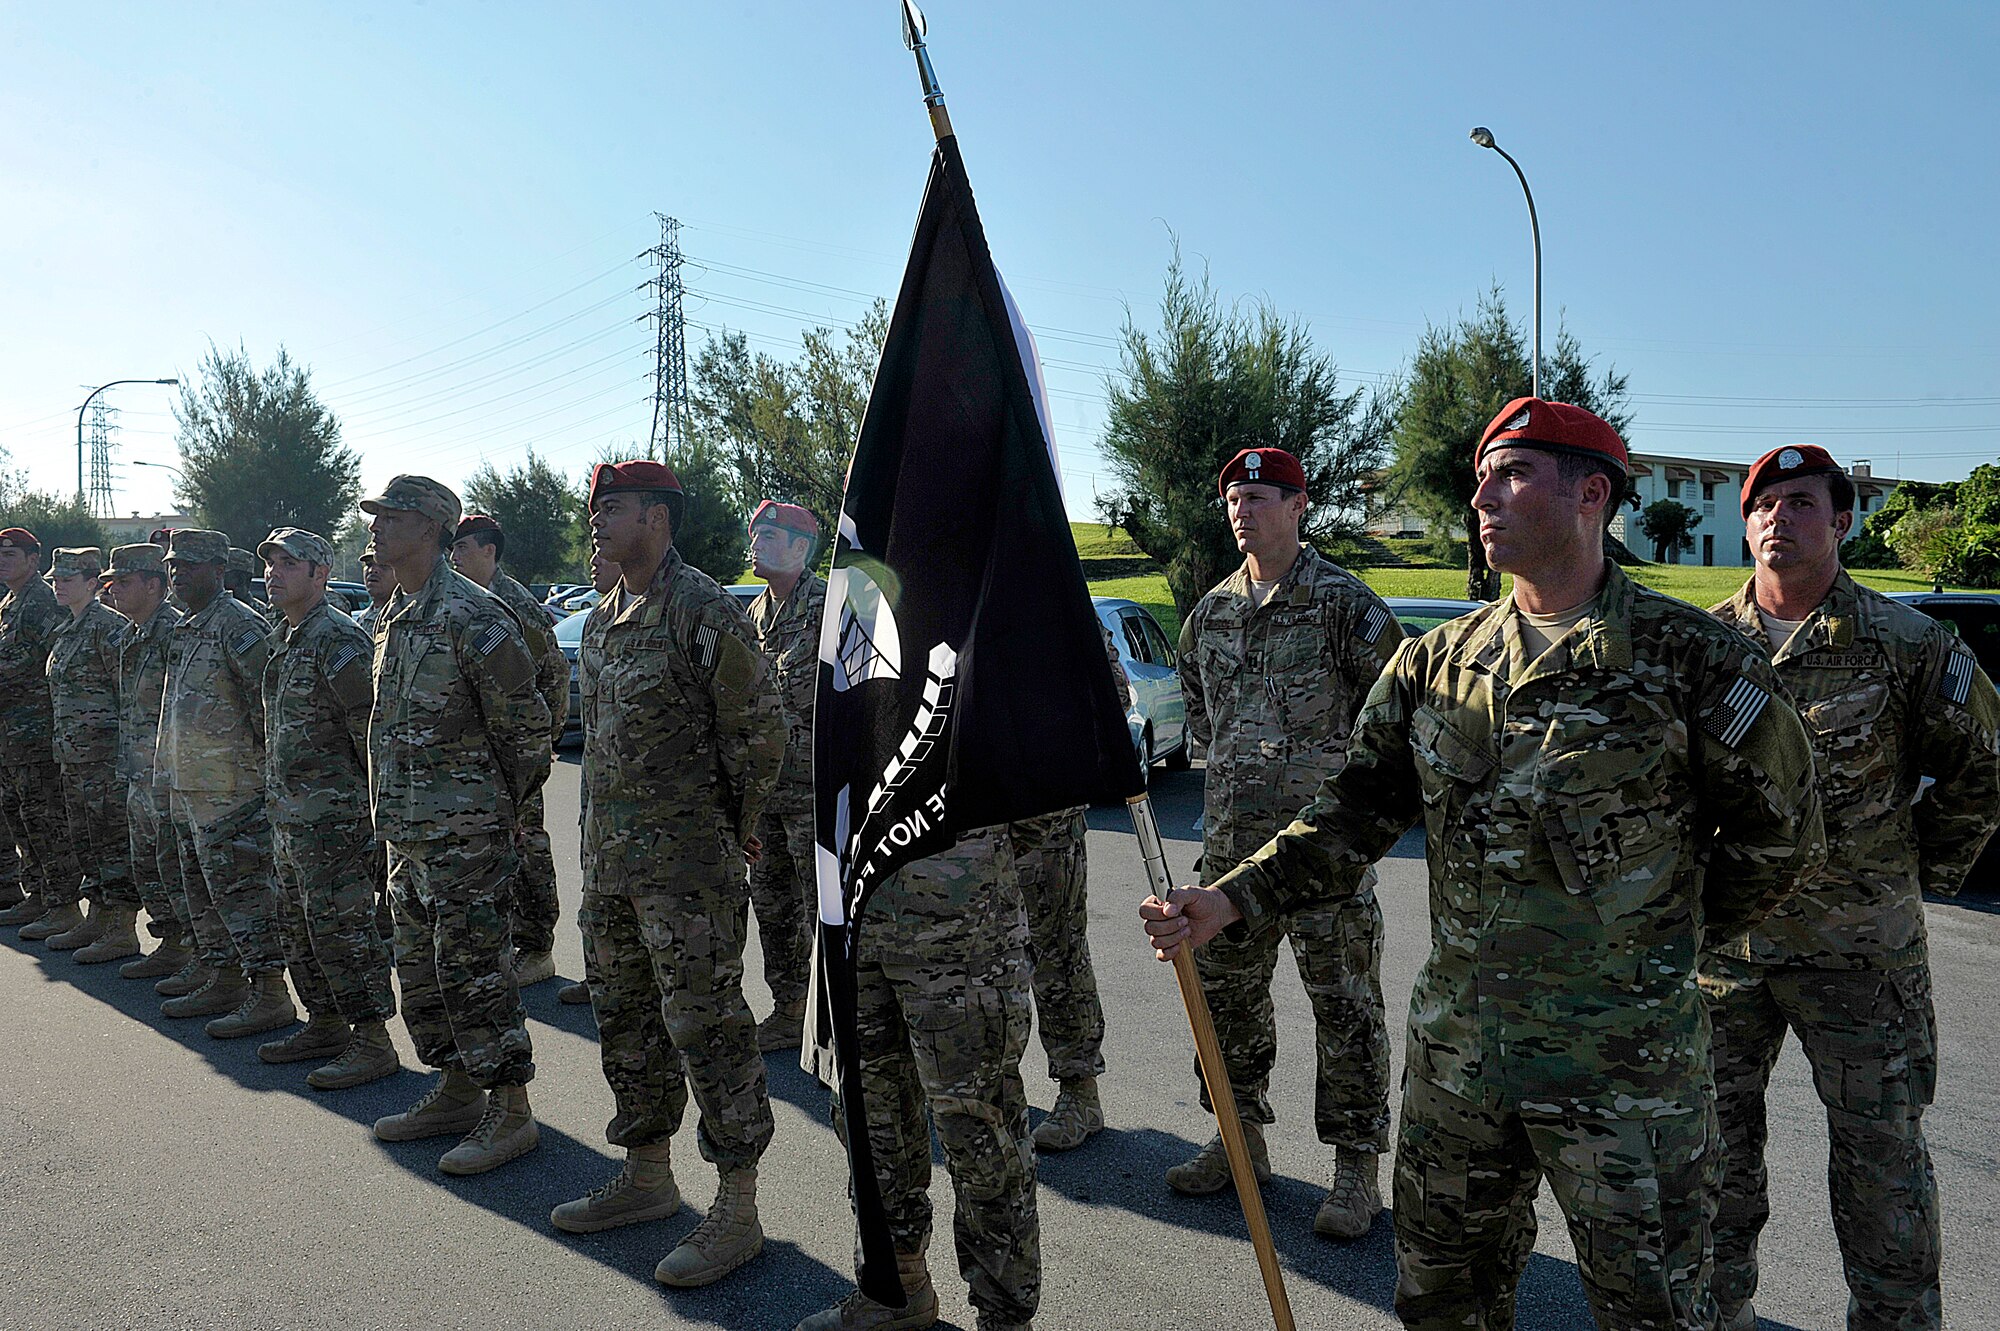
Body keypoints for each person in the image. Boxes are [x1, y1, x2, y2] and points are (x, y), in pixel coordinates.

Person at [1141, 398, 1826, 1330]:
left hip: (1626, 1075)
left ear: (1591, 493)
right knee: (1443, 1304)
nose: (1481, 496)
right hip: (1460, 1070)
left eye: (1511, 474)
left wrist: (1660, 941)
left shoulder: (1693, 659)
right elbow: (1353, 811)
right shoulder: (1438, 663)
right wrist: (1229, 899)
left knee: (1657, 1309)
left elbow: (1783, 835)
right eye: (1479, 477)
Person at [1702, 445, 2000, 1331]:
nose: (1775, 520)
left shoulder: (1906, 643)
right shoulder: (1708, 647)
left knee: (1883, 1163)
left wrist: (1913, 874)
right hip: (1729, 956)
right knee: (1710, 1151)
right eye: (1761, 505)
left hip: (1861, 958)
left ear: (1841, 521)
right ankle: (1719, 1310)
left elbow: (1984, 769)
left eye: (1799, 503)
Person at [553, 460, 782, 1290]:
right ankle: (648, 1175)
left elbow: (759, 727)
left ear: (657, 515)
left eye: (611, 508)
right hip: (611, 865)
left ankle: (739, 1205)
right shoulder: (607, 615)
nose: (597, 522)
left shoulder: (701, 609)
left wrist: (738, 822)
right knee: (627, 1020)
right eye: (595, 509)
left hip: (688, 869)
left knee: (707, 1024)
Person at [1162, 445, 1403, 1236]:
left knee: (1345, 1010)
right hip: (1231, 857)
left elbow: (1395, 716)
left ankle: (1356, 1171)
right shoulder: (1211, 613)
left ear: (1300, 506)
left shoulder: (1344, 604)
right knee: (1229, 1005)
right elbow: (1201, 713)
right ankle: (1239, 1143)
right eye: (1233, 497)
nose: (1242, 509)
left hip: (1322, 859)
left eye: (1259, 495)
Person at [364, 475, 550, 1175]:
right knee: (423, 971)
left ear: (433, 527)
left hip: (466, 836)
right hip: (407, 835)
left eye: (393, 516)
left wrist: (505, 817)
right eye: (377, 516)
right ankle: (456, 1087)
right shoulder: (395, 614)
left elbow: (528, 731)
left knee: (475, 973)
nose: (377, 527)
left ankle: (510, 1109)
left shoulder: (476, 615)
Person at [797, 828, 1040, 1331]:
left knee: (979, 1137)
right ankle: (898, 1289)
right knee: (870, 1118)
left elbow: (1038, 803)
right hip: (854, 912)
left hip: (962, 926)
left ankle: (1004, 1319)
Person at [258, 527, 403, 1090]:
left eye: (288, 564)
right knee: (298, 928)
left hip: (335, 821)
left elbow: (367, 732)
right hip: (290, 818)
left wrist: (372, 819)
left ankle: (371, 1040)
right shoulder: (286, 637)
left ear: (320, 574)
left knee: (342, 930)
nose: (274, 573)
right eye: (270, 564)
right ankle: (324, 1023)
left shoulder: (338, 640)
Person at [157, 528, 297, 1040]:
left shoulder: (238, 626)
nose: (178, 572)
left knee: (243, 893)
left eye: (189, 565)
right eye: (173, 564)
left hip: (233, 791)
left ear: (219, 569)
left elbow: (268, 707)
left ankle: (269, 992)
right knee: (203, 888)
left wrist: (264, 782)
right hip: (191, 786)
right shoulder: (188, 625)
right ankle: (224, 976)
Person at [1010, 626, 1131, 1155]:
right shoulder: (954, 594)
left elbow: (1113, 697)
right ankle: (989, 1091)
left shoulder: (1052, 600)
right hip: (968, 828)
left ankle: (1080, 1092)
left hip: (1045, 822)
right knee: (977, 964)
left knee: (1057, 957)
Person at [449, 512, 567, 988]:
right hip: (474, 761)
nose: (453, 556)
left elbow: (552, 681)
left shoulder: (516, 606)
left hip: (514, 759)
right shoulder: (456, 600)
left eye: (462, 547)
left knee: (527, 850)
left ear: (489, 551)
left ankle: (537, 949)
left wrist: (538, 753)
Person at [742, 500, 826, 1051]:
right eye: (754, 532)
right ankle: (789, 1009)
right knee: (772, 906)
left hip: (818, 794)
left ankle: (834, 1021)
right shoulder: (754, 613)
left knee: (824, 914)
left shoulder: (831, 606)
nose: (755, 542)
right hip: (767, 792)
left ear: (801, 549)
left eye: (769, 534)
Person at [100, 544, 193, 982]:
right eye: (112, 581)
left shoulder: (173, 631)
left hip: (167, 776)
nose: (114, 589)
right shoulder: (132, 633)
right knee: (149, 864)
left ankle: (195, 953)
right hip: (138, 772)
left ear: (154, 585)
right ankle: (170, 943)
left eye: (124, 581)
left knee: (176, 866)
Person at [43, 547, 138, 960]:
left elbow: (128, 693)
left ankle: (121, 928)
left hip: (103, 758)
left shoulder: (108, 628)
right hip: (74, 757)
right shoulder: (69, 628)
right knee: (87, 841)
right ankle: (97, 917)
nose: (58, 585)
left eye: (67, 578)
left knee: (112, 842)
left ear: (93, 582)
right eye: (55, 579)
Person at [0, 528, 84, 937]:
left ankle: (64, 903)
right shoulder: (10, 604)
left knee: (45, 819)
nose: (2, 561)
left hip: (35, 734)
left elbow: (51, 661)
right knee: (21, 818)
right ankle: (37, 895)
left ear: (34, 560)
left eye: (11, 554)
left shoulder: (42, 602)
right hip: (10, 736)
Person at [557, 548, 621, 1007]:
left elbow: (750, 726)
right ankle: (601, 974)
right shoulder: (597, 620)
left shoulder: (694, 608)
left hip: (666, 816)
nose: (593, 557)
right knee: (599, 897)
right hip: (600, 797)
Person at [354, 546, 395, 634]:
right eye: (368, 564)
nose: (373, 570)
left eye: (383, 565)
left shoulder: (404, 616)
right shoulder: (363, 618)